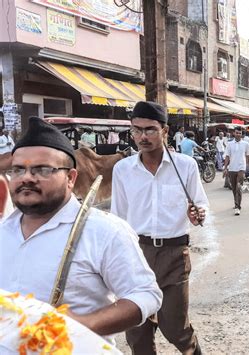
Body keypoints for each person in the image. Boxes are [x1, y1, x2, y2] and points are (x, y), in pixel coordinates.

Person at [0, 116, 162, 344]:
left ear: (70, 178)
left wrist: (86, 324)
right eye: (18, 170)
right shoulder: (3, 230)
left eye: (42, 169)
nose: (27, 177)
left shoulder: (105, 231)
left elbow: (146, 295)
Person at [111, 102, 208, 355]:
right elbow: (118, 218)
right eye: (137, 130)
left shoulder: (185, 166)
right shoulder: (123, 170)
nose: (143, 136)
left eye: (150, 130)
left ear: (164, 131)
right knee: (137, 332)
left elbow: (200, 209)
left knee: (176, 328)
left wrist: (196, 214)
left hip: (174, 255)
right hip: (136, 254)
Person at [223, 126, 249, 216]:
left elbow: (247, 156)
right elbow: (227, 156)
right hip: (232, 168)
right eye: (237, 133)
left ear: (242, 134)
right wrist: (225, 168)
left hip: (241, 168)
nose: (238, 134)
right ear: (234, 133)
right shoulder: (229, 144)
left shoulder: (246, 144)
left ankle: (237, 207)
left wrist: (248, 166)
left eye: (240, 133)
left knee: (238, 187)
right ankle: (236, 201)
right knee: (234, 188)